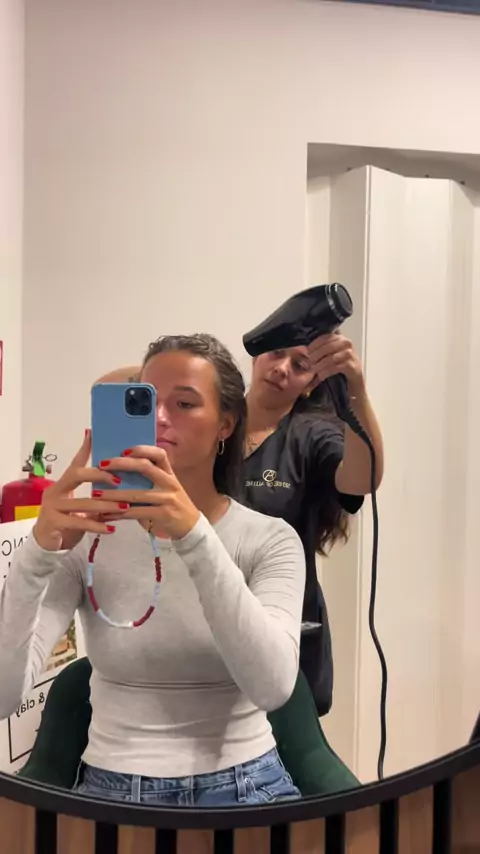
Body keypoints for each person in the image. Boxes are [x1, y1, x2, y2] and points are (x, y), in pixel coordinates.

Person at [0, 334, 305, 807]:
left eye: (184, 403)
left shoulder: (270, 540)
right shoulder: (88, 536)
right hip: (112, 789)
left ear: (225, 424)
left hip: (246, 785)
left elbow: (273, 687)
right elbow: (3, 697)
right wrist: (37, 552)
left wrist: (193, 536)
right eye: (144, 401)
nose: (159, 418)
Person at [101, 330, 384, 716]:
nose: (282, 369)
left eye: (300, 365)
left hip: (274, 621)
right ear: (257, 354)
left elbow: (362, 479)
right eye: (276, 353)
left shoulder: (310, 435)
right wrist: (176, 378)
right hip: (184, 617)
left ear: (311, 383)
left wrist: (355, 390)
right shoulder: (193, 425)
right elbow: (104, 388)